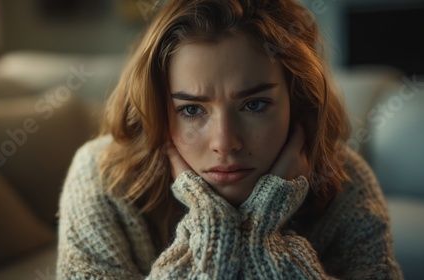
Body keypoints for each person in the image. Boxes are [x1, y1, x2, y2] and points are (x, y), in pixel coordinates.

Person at [56, 0, 403, 278]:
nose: (225, 142)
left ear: (296, 104)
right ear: (159, 111)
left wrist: (258, 230)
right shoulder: (100, 178)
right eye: (192, 110)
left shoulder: (346, 180)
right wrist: (213, 224)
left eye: (254, 104)